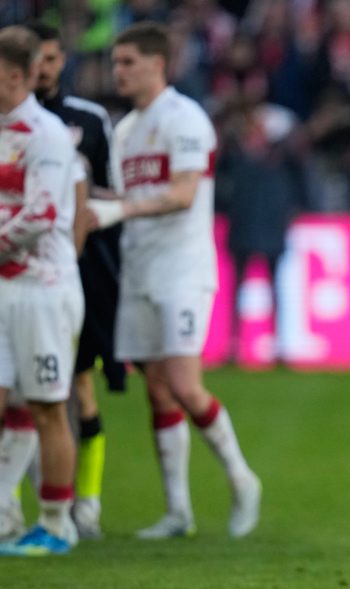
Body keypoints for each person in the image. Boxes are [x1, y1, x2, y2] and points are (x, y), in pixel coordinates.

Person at [85, 22, 261, 539]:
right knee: (158, 391)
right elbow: (128, 197)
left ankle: (242, 478)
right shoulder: (124, 130)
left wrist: (119, 211)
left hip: (182, 269)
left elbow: (184, 194)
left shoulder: (185, 119)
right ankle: (178, 511)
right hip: (138, 268)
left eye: (128, 62)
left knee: (184, 384)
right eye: (116, 63)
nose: (118, 72)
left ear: (157, 64)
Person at [29, 20, 122, 539]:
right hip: (17, 272)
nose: (42, 69)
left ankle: (85, 503)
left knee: (79, 386)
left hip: (75, 270)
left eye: (50, 58)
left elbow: (113, 194)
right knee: (23, 393)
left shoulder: (87, 119)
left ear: (62, 60)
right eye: (33, 61)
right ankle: (35, 506)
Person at [0, 25, 83, 555]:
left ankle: (56, 524)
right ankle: (5, 514)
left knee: (48, 407)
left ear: (13, 75)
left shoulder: (46, 134)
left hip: (43, 286)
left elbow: (42, 214)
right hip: (4, 286)